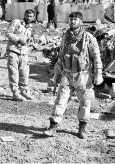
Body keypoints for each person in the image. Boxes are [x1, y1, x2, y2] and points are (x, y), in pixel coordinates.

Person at [43, 11, 103, 139]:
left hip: (83, 75)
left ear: (81, 21)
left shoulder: (89, 38)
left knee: (85, 103)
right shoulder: (66, 36)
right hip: (67, 74)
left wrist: (98, 74)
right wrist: (57, 72)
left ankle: (82, 129)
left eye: (75, 19)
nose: (73, 21)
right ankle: (52, 127)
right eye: (71, 19)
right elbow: (61, 54)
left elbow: (96, 57)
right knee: (60, 100)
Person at [6, 9, 37, 101]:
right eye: (27, 15)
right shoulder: (16, 22)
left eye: (31, 16)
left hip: (24, 53)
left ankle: (24, 91)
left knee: (24, 73)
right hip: (13, 51)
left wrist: (34, 45)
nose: (29, 18)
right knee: (13, 73)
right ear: (24, 15)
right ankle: (15, 93)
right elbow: (8, 33)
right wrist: (17, 39)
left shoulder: (31, 28)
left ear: (33, 17)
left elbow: (31, 41)